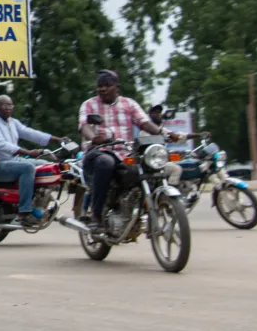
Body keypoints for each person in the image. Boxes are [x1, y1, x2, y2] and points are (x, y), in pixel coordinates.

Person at [78, 71, 184, 232]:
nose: (103, 89)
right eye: (100, 86)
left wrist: (166, 134)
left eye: (107, 85)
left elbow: (146, 123)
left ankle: (140, 205)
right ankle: (96, 215)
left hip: (125, 152)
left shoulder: (129, 104)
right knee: (106, 163)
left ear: (117, 87)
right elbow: (85, 125)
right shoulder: (89, 105)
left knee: (149, 167)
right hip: (99, 151)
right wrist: (93, 138)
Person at [0, 95, 68, 225]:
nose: (9, 108)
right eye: (5, 105)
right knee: (28, 168)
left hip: (14, 160)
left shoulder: (12, 122)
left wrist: (56, 139)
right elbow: (2, 145)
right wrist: (28, 152)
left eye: (11, 105)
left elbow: (30, 133)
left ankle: (38, 201)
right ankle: (24, 211)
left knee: (45, 166)